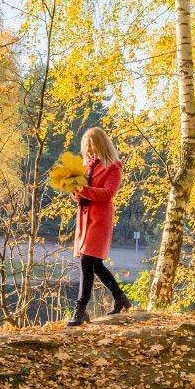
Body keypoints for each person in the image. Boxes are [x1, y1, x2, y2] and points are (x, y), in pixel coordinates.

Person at [68, 126, 131, 326]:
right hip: (84, 218)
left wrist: (83, 189)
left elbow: (108, 193)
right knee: (95, 264)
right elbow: (79, 194)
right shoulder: (86, 166)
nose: (88, 149)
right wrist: (75, 191)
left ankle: (80, 309)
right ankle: (120, 297)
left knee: (87, 262)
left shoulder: (113, 166)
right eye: (86, 146)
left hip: (100, 218)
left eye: (91, 145)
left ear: (100, 144)